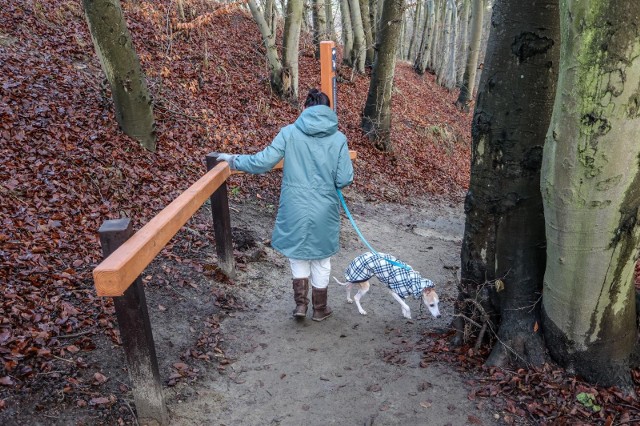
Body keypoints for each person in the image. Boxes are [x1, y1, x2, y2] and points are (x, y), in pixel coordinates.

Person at [215, 89, 354, 321]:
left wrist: (233, 159)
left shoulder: (289, 133)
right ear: (328, 110)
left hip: (294, 206)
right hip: (324, 208)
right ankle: (320, 310)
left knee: (297, 253)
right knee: (321, 258)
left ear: (305, 108)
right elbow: (344, 179)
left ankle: (300, 306)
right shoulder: (339, 139)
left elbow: (263, 162)